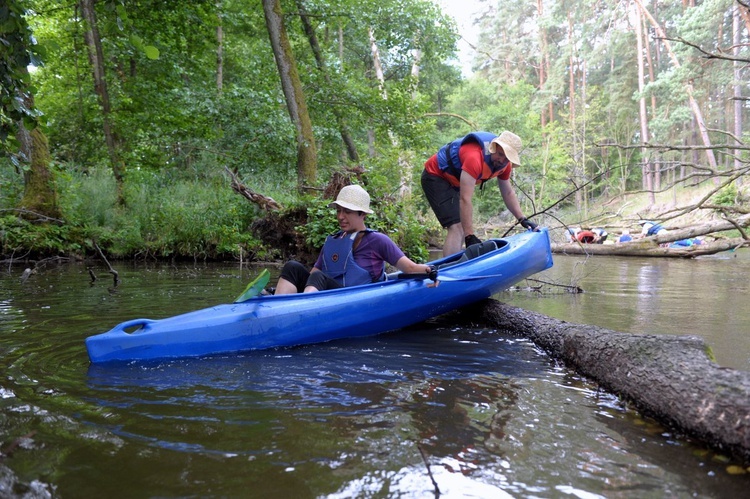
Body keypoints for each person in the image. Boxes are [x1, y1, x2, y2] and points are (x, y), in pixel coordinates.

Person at [273, 185, 432, 294]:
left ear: (362, 214)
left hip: (352, 299)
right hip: (326, 295)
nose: (341, 217)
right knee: (292, 267)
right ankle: (277, 305)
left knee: (318, 277)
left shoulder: (378, 240)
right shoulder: (332, 241)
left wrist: (431, 273)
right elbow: (313, 275)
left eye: (347, 211)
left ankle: (300, 313)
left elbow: (410, 268)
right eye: (339, 211)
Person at [421, 131, 538, 256]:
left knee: (461, 225)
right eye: (500, 154)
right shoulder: (474, 158)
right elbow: (465, 199)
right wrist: (469, 236)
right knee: (457, 227)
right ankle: (450, 271)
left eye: (507, 158)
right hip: (435, 175)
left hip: (455, 182)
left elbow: (508, 192)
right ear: (494, 148)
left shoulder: (505, 165)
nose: (502, 160)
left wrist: (522, 219)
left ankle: (457, 264)